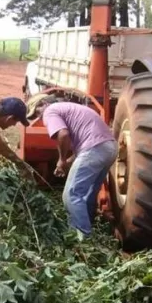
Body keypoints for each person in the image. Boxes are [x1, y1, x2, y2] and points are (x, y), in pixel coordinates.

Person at [26, 94, 117, 236]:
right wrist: (66, 163)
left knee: (71, 195)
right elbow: (86, 145)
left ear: (43, 103)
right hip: (109, 148)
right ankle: (90, 227)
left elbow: (63, 134)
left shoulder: (50, 110)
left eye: (37, 112)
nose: (39, 117)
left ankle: (82, 237)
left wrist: (61, 159)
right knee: (88, 194)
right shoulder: (71, 108)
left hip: (94, 149)